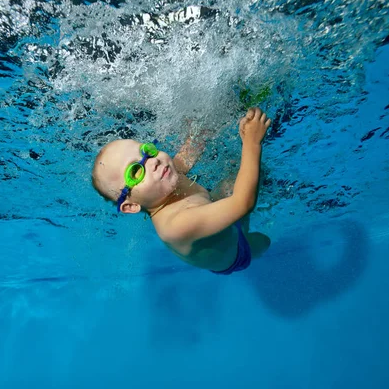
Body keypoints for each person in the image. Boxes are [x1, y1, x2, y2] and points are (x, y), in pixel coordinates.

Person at [91, 107, 271, 274]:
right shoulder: (176, 226)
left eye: (147, 151)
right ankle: (246, 237)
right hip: (235, 254)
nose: (153, 162)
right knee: (263, 242)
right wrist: (252, 142)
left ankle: (238, 222)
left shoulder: (164, 179)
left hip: (218, 213)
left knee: (240, 176)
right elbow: (243, 203)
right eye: (136, 171)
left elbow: (197, 142)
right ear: (131, 206)